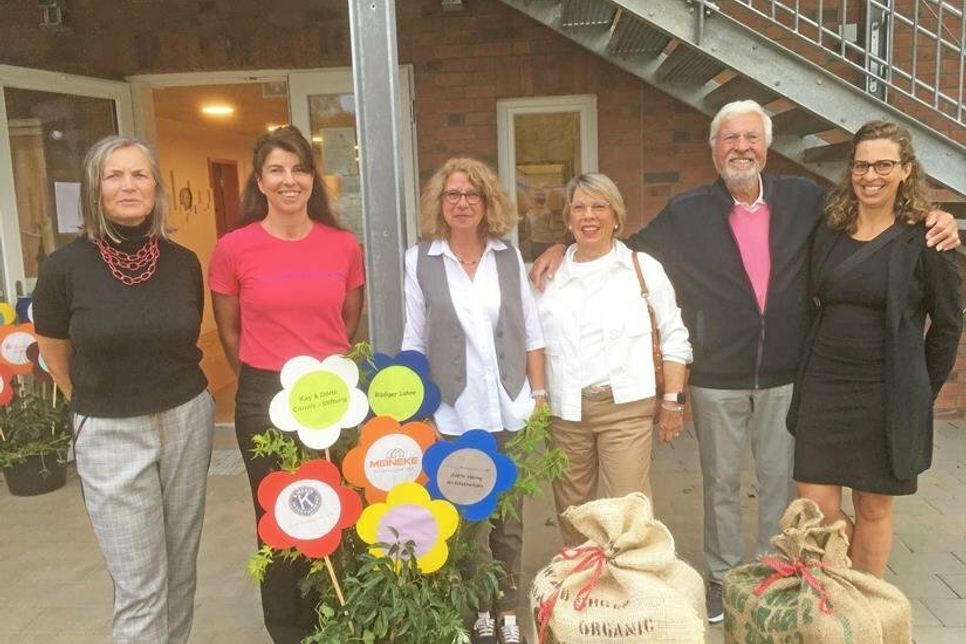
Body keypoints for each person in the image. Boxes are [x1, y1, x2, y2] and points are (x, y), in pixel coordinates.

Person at [528, 99, 961, 622]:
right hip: (718, 377)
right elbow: (623, 246)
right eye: (729, 138)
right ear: (714, 149)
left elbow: (876, 212)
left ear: (767, 145)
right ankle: (722, 577)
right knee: (721, 487)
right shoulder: (687, 212)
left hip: (789, 372)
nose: (741, 147)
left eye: (751, 137)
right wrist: (560, 244)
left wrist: (933, 217)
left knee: (784, 487)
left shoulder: (805, 199)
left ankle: (776, 574)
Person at [33, 135, 213, 644]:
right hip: (110, 430)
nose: (128, 185)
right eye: (114, 175)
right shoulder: (63, 268)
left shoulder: (182, 262)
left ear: (156, 189)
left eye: (140, 175)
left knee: (180, 572)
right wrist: (88, 397)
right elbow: (53, 345)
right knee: (140, 585)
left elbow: (181, 335)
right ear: (94, 189)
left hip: (186, 419)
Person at [208, 125, 364, 644]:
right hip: (264, 393)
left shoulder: (343, 246)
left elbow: (348, 321)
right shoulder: (234, 249)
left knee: (335, 505)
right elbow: (229, 328)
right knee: (279, 510)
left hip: (329, 396)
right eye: (277, 169)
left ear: (312, 178)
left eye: (299, 168)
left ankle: (335, 611)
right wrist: (259, 374)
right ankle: (288, 627)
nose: (289, 179)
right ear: (260, 179)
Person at [788, 121, 961, 577]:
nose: (871, 175)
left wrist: (920, 389)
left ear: (905, 170)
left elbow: (947, 326)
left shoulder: (926, 239)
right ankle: (840, 581)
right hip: (824, 384)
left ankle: (865, 606)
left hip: (885, 392)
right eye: (862, 165)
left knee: (873, 509)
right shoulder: (830, 229)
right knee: (815, 504)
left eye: (884, 164)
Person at [401, 157, 545, 644]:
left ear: (488, 203)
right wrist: (415, 410)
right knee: (466, 518)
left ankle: (507, 609)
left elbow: (532, 333)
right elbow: (414, 340)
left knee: (508, 518)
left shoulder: (509, 257)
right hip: (452, 413)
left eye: (472, 195)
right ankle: (476, 609)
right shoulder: (419, 259)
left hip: (507, 404)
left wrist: (538, 394)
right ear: (440, 203)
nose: (462, 203)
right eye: (453, 195)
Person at [536, 172, 692, 547]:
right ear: (568, 219)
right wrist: (538, 396)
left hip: (625, 408)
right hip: (566, 412)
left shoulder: (642, 268)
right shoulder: (546, 275)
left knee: (629, 512)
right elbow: (533, 342)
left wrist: (673, 400)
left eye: (599, 207)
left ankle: (633, 588)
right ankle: (581, 592)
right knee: (572, 515)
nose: (589, 216)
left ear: (616, 216)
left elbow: (674, 335)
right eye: (579, 208)